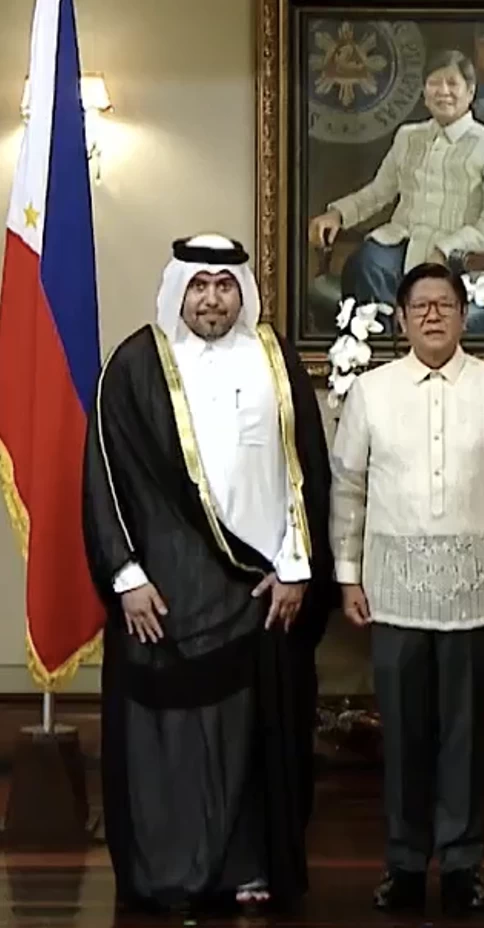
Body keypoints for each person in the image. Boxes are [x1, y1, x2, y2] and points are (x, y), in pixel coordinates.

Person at [82, 234, 335, 914]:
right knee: (168, 740)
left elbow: (306, 469)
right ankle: (170, 872)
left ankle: (248, 867)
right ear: (179, 291)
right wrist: (126, 576)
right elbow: (105, 476)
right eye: (199, 286)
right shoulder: (136, 365)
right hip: (164, 591)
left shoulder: (274, 359)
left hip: (260, 590)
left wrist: (296, 567)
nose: (212, 300)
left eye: (224, 286)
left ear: (241, 292)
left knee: (252, 736)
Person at [330, 262, 484, 916]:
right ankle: (402, 863)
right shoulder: (370, 391)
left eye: (444, 304)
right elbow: (349, 487)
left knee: (464, 736)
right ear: (400, 318)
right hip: (393, 590)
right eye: (419, 306)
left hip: (475, 590)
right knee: (402, 736)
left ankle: (460, 864)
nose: (432, 315)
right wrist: (347, 574)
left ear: (462, 315)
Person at [308, 49, 484, 316]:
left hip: (459, 257)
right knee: (365, 264)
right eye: (434, 83)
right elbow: (378, 192)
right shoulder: (408, 136)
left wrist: (447, 249)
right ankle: (383, 339)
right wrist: (338, 214)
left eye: (452, 83)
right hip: (401, 242)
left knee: (428, 291)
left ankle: (408, 337)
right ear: (424, 93)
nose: (443, 91)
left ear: (470, 91)